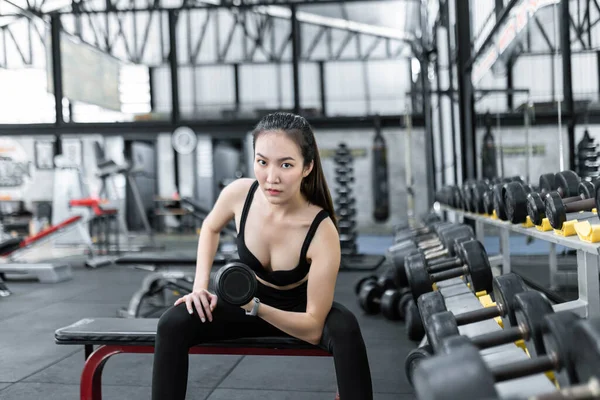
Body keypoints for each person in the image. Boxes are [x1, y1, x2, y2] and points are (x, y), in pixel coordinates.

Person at [152, 112, 373, 400]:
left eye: (286, 164)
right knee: (172, 323)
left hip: (299, 311)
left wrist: (255, 307)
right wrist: (199, 287)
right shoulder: (240, 194)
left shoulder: (321, 230)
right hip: (245, 304)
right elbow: (210, 227)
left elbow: (313, 326)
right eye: (262, 162)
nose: (272, 177)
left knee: (346, 331)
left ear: (307, 167)